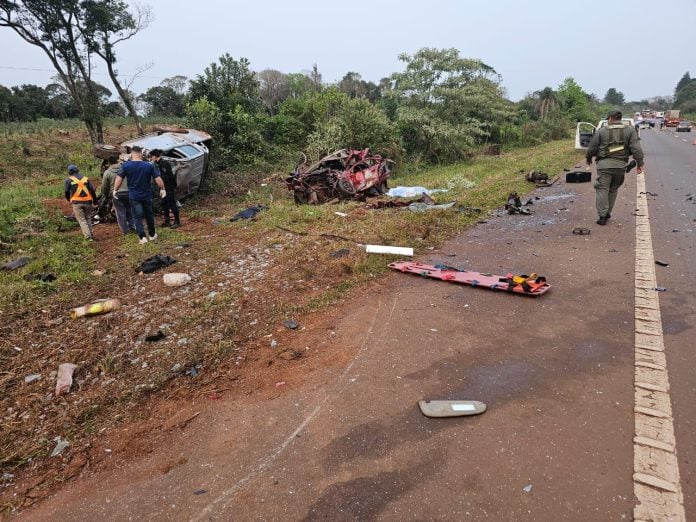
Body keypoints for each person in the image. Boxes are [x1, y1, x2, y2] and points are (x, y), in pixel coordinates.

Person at [586, 110, 644, 225]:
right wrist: (640, 163)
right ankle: (607, 212)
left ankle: (602, 216)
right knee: (613, 189)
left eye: (608, 119)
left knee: (602, 189)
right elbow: (636, 149)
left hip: (604, 166)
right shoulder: (630, 130)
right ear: (620, 119)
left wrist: (588, 158)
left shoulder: (602, 131)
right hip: (620, 166)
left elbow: (592, 147)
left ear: (611, 119)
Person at [113, 145, 166, 244]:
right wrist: (162, 189)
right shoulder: (149, 165)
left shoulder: (126, 166)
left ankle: (142, 238)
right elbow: (158, 178)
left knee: (137, 216)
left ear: (132, 154)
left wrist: (115, 190)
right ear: (141, 154)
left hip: (134, 196)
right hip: (147, 195)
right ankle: (152, 235)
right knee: (149, 215)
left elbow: (119, 178)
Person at [100, 156, 134, 235]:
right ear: (117, 161)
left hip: (117, 194)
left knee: (120, 213)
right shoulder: (125, 168)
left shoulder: (107, 172)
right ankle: (132, 227)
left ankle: (125, 231)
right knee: (130, 210)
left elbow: (104, 187)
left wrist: (106, 196)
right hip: (128, 192)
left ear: (109, 163)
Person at [63, 164, 98, 241]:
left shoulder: (68, 180)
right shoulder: (85, 179)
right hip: (88, 202)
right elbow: (92, 190)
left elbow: (66, 192)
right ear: (77, 170)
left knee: (82, 220)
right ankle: (91, 234)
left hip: (76, 203)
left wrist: (69, 199)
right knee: (88, 218)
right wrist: (95, 201)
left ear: (69, 172)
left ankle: (88, 237)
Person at [149, 149, 180, 229]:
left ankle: (177, 221)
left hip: (168, 187)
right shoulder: (157, 164)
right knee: (164, 204)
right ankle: (167, 221)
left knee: (171, 203)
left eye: (151, 157)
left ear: (154, 156)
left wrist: (165, 186)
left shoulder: (164, 163)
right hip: (162, 187)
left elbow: (168, 177)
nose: (151, 159)